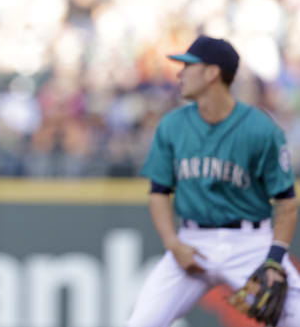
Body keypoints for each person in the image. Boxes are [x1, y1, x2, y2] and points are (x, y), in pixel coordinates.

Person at [127, 35, 300, 326]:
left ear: (212, 73)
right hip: (193, 243)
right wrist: (172, 243)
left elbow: (285, 202)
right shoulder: (173, 125)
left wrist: (273, 258)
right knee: (142, 322)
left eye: (188, 66)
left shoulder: (260, 129)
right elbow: (158, 192)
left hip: (251, 243)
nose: (180, 73)